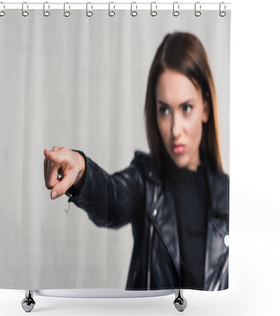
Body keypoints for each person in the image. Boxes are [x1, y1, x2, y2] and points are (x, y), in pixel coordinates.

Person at [44, 32, 229, 291]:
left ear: (206, 108)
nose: (175, 129)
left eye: (186, 108)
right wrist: (81, 170)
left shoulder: (233, 200)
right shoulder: (145, 181)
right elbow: (112, 195)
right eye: (164, 110)